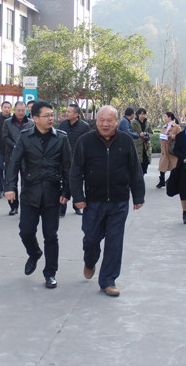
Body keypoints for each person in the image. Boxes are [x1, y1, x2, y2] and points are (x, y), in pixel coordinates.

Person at [70, 105, 145, 297]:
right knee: (91, 239)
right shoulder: (85, 141)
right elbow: (76, 171)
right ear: (96, 121)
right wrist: (78, 197)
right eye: (101, 120)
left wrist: (138, 196)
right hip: (93, 201)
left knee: (114, 241)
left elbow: (134, 170)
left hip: (119, 201)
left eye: (109, 120)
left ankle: (108, 280)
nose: (105, 124)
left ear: (116, 121)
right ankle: (89, 261)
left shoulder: (126, 141)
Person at [5, 100, 72, 288]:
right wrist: (10, 187)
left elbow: (68, 167)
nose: (51, 118)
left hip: (52, 194)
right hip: (30, 193)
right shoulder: (25, 137)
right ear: (35, 118)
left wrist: (66, 191)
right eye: (46, 115)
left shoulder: (61, 138)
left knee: (51, 235)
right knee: (26, 231)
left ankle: (50, 273)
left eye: (52, 115)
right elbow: (14, 163)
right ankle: (34, 253)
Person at [57, 103, 90, 216]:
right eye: (66, 111)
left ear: (76, 114)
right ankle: (61, 208)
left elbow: (87, 144)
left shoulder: (84, 126)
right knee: (63, 182)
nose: (66, 113)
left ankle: (77, 206)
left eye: (69, 112)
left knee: (76, 182)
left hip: (77, 159)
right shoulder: (62, 124)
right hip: (63, 158)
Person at [2, 101, 34, 216]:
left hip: (26, 157)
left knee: (26, 182)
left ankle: (26, 206)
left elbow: (33, 137)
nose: (21, 113)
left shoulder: (31, 123)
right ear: (14, 110)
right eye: (18, 110)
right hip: (11, 155)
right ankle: (13, 206)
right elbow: (5, 137)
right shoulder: (7, 122)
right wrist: (16, 146)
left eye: (23, 110)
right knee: (11, 181)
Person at [156, 112, 180, 188]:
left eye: (165, 116)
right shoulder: (164, 127)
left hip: (171, 149)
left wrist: (172, 136)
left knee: (174, 166)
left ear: (170, 117)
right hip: (164, 150)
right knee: (162, 166)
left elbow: (180, 137)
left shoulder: (176, 127)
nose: (164, 118)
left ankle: (170, 180)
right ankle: (162, 181)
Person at [131, 107, 153, 175]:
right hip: (138, 145)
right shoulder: (134, 122)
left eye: (144, 114)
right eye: (141, 114)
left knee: (145, 163)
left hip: (146, 145)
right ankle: (139, 178)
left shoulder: (147, 122)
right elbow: (131, 132)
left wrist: (147, 135)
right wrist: (139, 134)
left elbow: (151, 132)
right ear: (138, 114)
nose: (143, 116)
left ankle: (141, 176)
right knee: (138, 163)